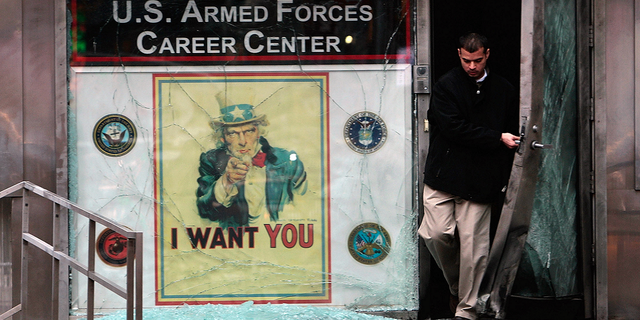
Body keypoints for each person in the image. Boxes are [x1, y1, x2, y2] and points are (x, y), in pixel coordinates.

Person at [418, 33, 520, 320]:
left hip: (480, 179)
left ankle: (467, 312)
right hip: (444, 175)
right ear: (458, 55)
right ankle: (456, 289)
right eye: (466, 60)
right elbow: (454, 128)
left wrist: (500, 156)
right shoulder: (446, 85)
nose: (471, 66)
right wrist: (496, 138)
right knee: (435, 233)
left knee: (475, 251)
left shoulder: (503, 89)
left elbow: (511, 129)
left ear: (487, 54)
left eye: (476, 60)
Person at [196, 94, 307, 228]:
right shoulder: (211, 161)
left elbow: (308, 203)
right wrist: (227, 181)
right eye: (233, 133)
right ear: (223, 138)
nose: (242, 142)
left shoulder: (287, 160)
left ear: (258, 133)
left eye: (249, 131)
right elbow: (204, 210)